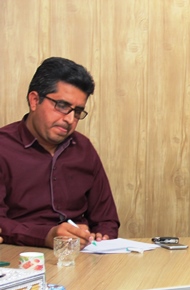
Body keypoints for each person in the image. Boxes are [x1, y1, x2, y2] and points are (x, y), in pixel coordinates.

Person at [0, 57, 119, 249]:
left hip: (80, 256)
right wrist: (45, 236)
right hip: (22, 255)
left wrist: (101, 237)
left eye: (77, 111)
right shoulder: (3, 147)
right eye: (62, 106)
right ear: (34, 100)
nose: (70, 119)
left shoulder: (83, 149)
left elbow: (106, 220)